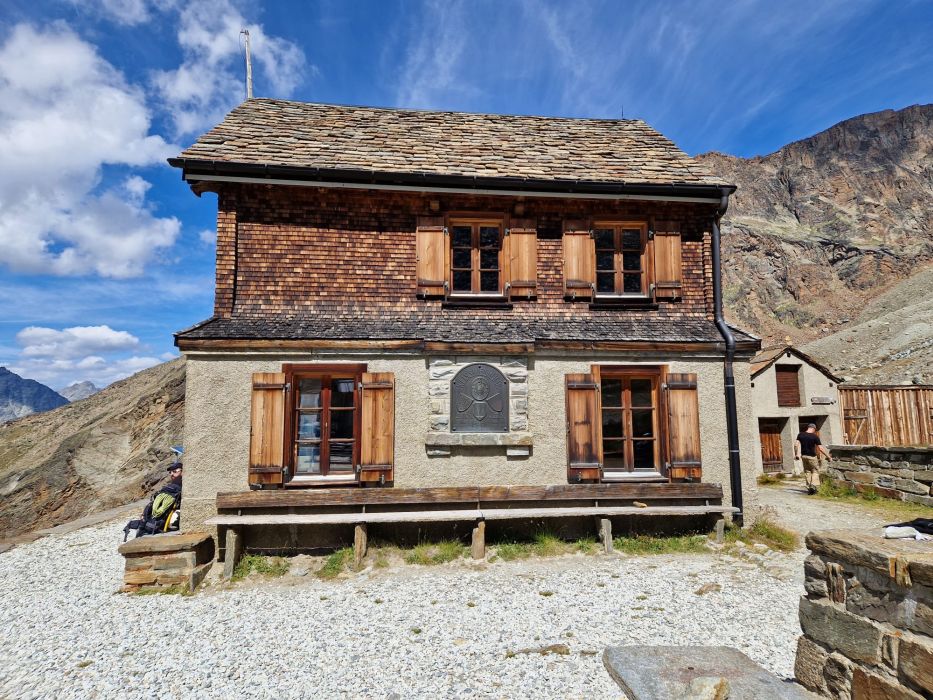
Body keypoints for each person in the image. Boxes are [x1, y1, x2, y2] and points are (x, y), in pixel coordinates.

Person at [122, 462, 183, 540]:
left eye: (174, 471)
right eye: (170, 472)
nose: (171, 474)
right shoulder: (175, 484)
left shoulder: (177, 483)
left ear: (182, 471)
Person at [795, 424, 831, 494]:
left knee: (807, 471)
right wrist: (828, 456)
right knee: (815, 471)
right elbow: (820, 448)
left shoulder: (800, 434)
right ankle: (813, 486)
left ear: (808, 427)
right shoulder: (815, 436)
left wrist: (796, 454)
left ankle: (809, 488)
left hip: (804, 456)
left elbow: (796, 445)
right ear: (814, 429)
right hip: (812, 457)